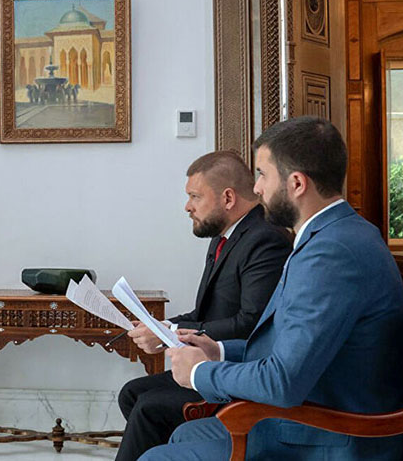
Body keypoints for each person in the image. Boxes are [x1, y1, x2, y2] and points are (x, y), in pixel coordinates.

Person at [141, 116, 403, 460]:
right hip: (315, 414)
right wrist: (218, 351)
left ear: (296, 183)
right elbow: (289, 348)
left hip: (335, 436)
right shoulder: (337, 234)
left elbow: (283, 382)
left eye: (262, 174)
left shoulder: (331, 253)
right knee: (183, 433)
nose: (256, 188)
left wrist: (199, 372)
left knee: (155, 458)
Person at [116, 151, 291, 461]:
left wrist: (171, 331)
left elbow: (252, 324)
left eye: (195, 196)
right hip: (213, 360)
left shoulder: (265, 239)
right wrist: (161, 328)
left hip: (237, 369)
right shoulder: (224, 236)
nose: (188, 206)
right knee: (132, 393)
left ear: (228, 198)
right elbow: (203, 314)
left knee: (149, 408)